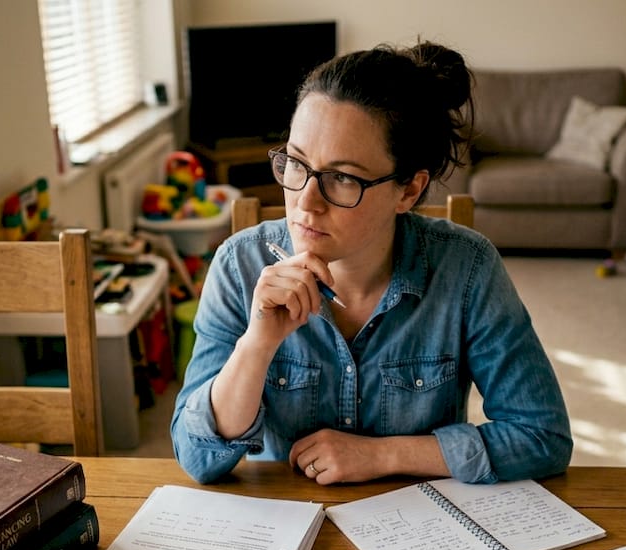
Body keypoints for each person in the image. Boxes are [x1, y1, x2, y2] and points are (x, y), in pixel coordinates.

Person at [171, 40, 571, 485]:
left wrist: (383, 455)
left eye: (342, 177)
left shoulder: (468, 268)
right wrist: (257, 344)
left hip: (421, 518)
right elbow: (197, 458)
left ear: (408, 191)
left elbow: (542, 436)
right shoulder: (238, 265)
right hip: (287, 518)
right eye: (296, 163)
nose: (306, 201)